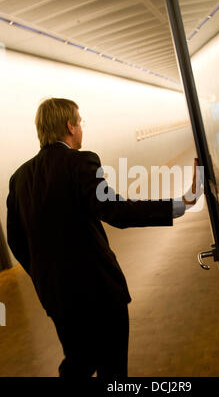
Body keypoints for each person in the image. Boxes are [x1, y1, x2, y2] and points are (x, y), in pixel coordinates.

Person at [6, 98, 201, 378]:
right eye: (80, 121)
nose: (82, 127)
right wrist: (183, 202)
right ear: (70, 126)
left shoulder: (19, 178)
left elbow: (16, 240)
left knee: (78, 363)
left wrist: (44, 277)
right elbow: (116, 211)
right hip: (99, 295)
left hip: (58, 299)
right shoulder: (80, 162)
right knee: (112, 370)